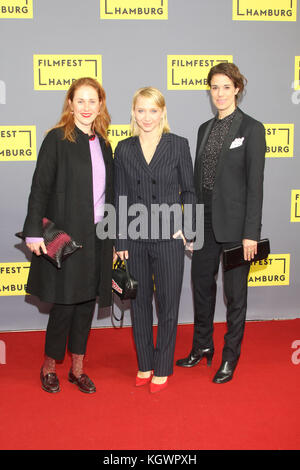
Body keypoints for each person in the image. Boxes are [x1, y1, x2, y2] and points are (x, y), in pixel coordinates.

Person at [22, 77, 114, 393]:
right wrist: (34, 232)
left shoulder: (104, 143)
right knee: (64, 303)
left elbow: (109, 196)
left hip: (98, 237)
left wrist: (113, 240)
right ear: (71, 104)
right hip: (65, 237)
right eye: (81, 100)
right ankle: (49, 365)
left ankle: (77, 368)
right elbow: (40, 188)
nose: (87, 107)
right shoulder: (56, 139)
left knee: (86, 303)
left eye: (93, 101)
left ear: (100, 105)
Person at [176, 63, 266, 383]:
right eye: (214, 87)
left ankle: (230, 356)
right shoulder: (204, 128)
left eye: (226, 87)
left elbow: (255, 186)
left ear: (237, 89)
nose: (220, 93)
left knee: (235, 294)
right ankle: (202, 347)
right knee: (201, 286)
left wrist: (249, 234)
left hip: (236, 227)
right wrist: (192, 226)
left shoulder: (252, 129)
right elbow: (200, 182)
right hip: (205, 223)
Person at [114, 87, 196, 393]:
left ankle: (163, 366)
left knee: (168, 304)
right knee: (139, 305)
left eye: (153, 110)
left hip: (168, 238)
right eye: (140, 110)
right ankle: (145, 363)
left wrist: (189, 230)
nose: (147, 117)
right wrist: (119, 240)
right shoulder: (123, 149)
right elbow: (120, 195)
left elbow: (189, 190)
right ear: (133, 113)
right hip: (134, 238)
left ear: (162, 112)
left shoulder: (178, 145)